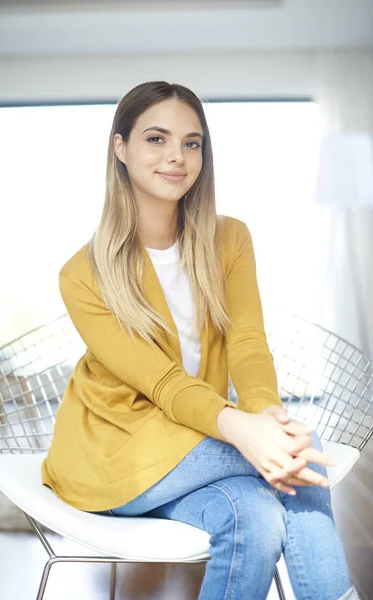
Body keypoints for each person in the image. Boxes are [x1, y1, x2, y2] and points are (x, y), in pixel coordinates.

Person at [42, 81, 360, 600]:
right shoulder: (82, 274)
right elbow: (163, 383)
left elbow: (249, 346)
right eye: (156, 139)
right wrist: (245, 430)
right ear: (120, 148)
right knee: (306, 449)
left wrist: (265, 416)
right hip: (117, 449)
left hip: (193, 439)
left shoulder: (229, 239)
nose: (177, 156)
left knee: (255, 517)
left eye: (192, 143)